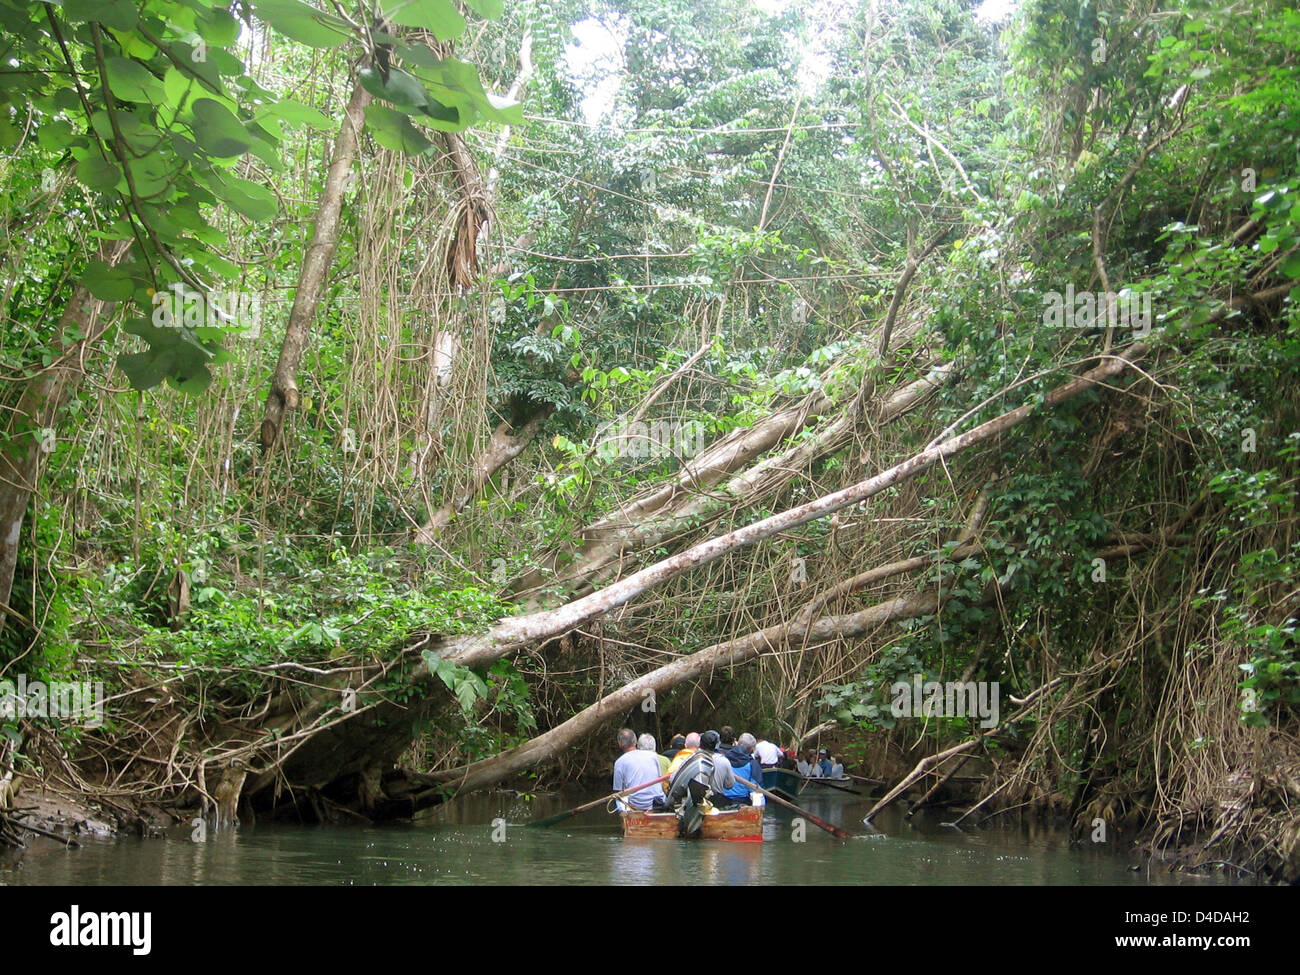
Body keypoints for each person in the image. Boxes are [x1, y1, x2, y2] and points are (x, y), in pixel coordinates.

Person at [661, 730, 735, 811]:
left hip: (689, 803)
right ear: (717, 745)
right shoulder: (721, 761)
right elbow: (729, 785)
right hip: (708, 804)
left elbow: (672, 779)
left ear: (700, 744)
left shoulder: (690, 758)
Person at [612, 728, 664, 811]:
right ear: (635, 741)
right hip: (658, 803)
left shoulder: (619, 762)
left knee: (620, 800)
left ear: (619, 744)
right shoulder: (653, 756)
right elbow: (660, 781)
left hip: (637, 806)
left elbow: (618, 792)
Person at [719, 732, 764, 805]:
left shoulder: (722, 758)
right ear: (752, 750)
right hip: (742, 802)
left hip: (721, 800)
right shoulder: (753, 764)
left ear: (737, 744)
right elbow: (756, 789)